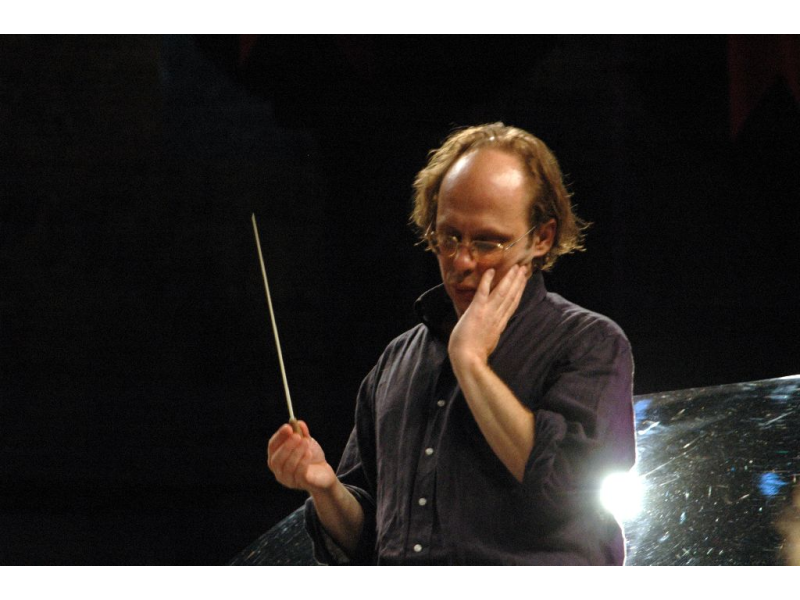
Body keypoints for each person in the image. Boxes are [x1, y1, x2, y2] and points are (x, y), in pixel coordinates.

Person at [267, 123, 635, 565]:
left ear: (542, 238)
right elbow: (370, 543)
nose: (461, 261)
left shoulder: (588, 343)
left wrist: (470, 363)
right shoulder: (397, 361)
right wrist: (325, 487)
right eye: (448, 237)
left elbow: (564, 488)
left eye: (487, 242)